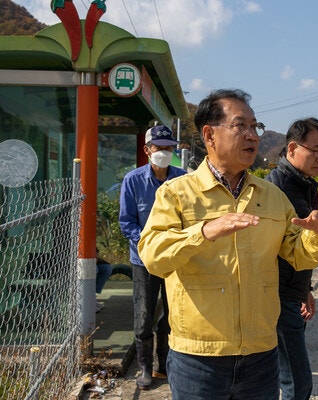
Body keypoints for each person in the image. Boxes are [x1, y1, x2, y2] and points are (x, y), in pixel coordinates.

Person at [137, 88, 318, 400]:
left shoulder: (272, 196)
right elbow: (153, 257)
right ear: (209, 134)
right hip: (198, 358)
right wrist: (203, 232)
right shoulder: (176, 193)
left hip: (260, 353)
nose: (252, 136)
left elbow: (298, 256)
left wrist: (316, 236)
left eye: (255, 127)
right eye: (240, 125)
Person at [265, 117, 318, 400]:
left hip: (291, 292)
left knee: (284, 376)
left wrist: (306, 289)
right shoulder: (276, 189)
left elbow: (298, 247)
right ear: (292, 148)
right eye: (315, 150)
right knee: (297, 382)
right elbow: (274, 249)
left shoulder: (303, 184)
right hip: (278, 296)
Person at [119, 125, 187, 390]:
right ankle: (145, 367)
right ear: (147, 150)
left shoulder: (182, 179)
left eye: (169, 148)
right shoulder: (133, 181)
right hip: (143, 261)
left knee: (173, 315)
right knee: (144, 314)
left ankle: (165, 365)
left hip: (174, 261)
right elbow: (127, 222)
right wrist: (151, 244)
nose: (164, 152)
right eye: (159, 148)